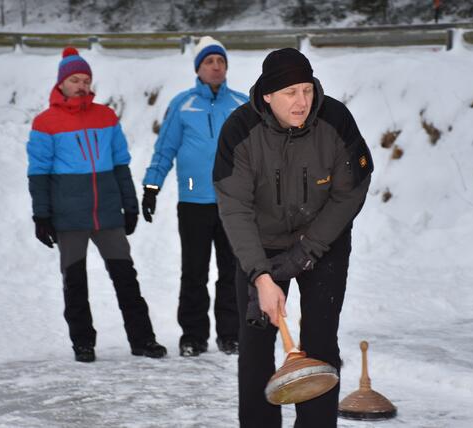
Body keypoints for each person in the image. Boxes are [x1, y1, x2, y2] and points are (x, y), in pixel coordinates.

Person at [213, 48, 373, 427]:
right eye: (290, 93)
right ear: (267, 95)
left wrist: (309, 249)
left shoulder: (335, 119)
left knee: (320, 338)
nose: (302, 101)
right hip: (260, 243)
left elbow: (351, 189)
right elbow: (235, 208)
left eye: (307, 89)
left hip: (323, 238)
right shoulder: (239, 131)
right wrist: (261, 276)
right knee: (255, 345)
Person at [27, 47, 167, 363]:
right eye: (74, 79)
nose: (80, 85)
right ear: (61, 83)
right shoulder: (45, 122)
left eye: (85, 79)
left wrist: (129, 206)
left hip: (107, 214)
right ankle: (83, 343)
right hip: (69, 216)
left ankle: (143, 340)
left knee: (126, 279)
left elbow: (120, 164)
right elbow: (38, 172)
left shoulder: (106, 116)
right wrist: (42, 215)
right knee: (75, 282)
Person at [141, 36, 248, 357]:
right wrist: (151, 186)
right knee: (195, 272)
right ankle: (193, 336)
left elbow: (258, 153)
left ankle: (230, 334)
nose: (216, 67)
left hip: (234, 203)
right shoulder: (182, 104)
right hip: (193, 203)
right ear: (198, 68)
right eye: (209, 62)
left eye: (220, 61)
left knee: (232, 272)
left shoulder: (241, 104)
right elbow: (165, 149)